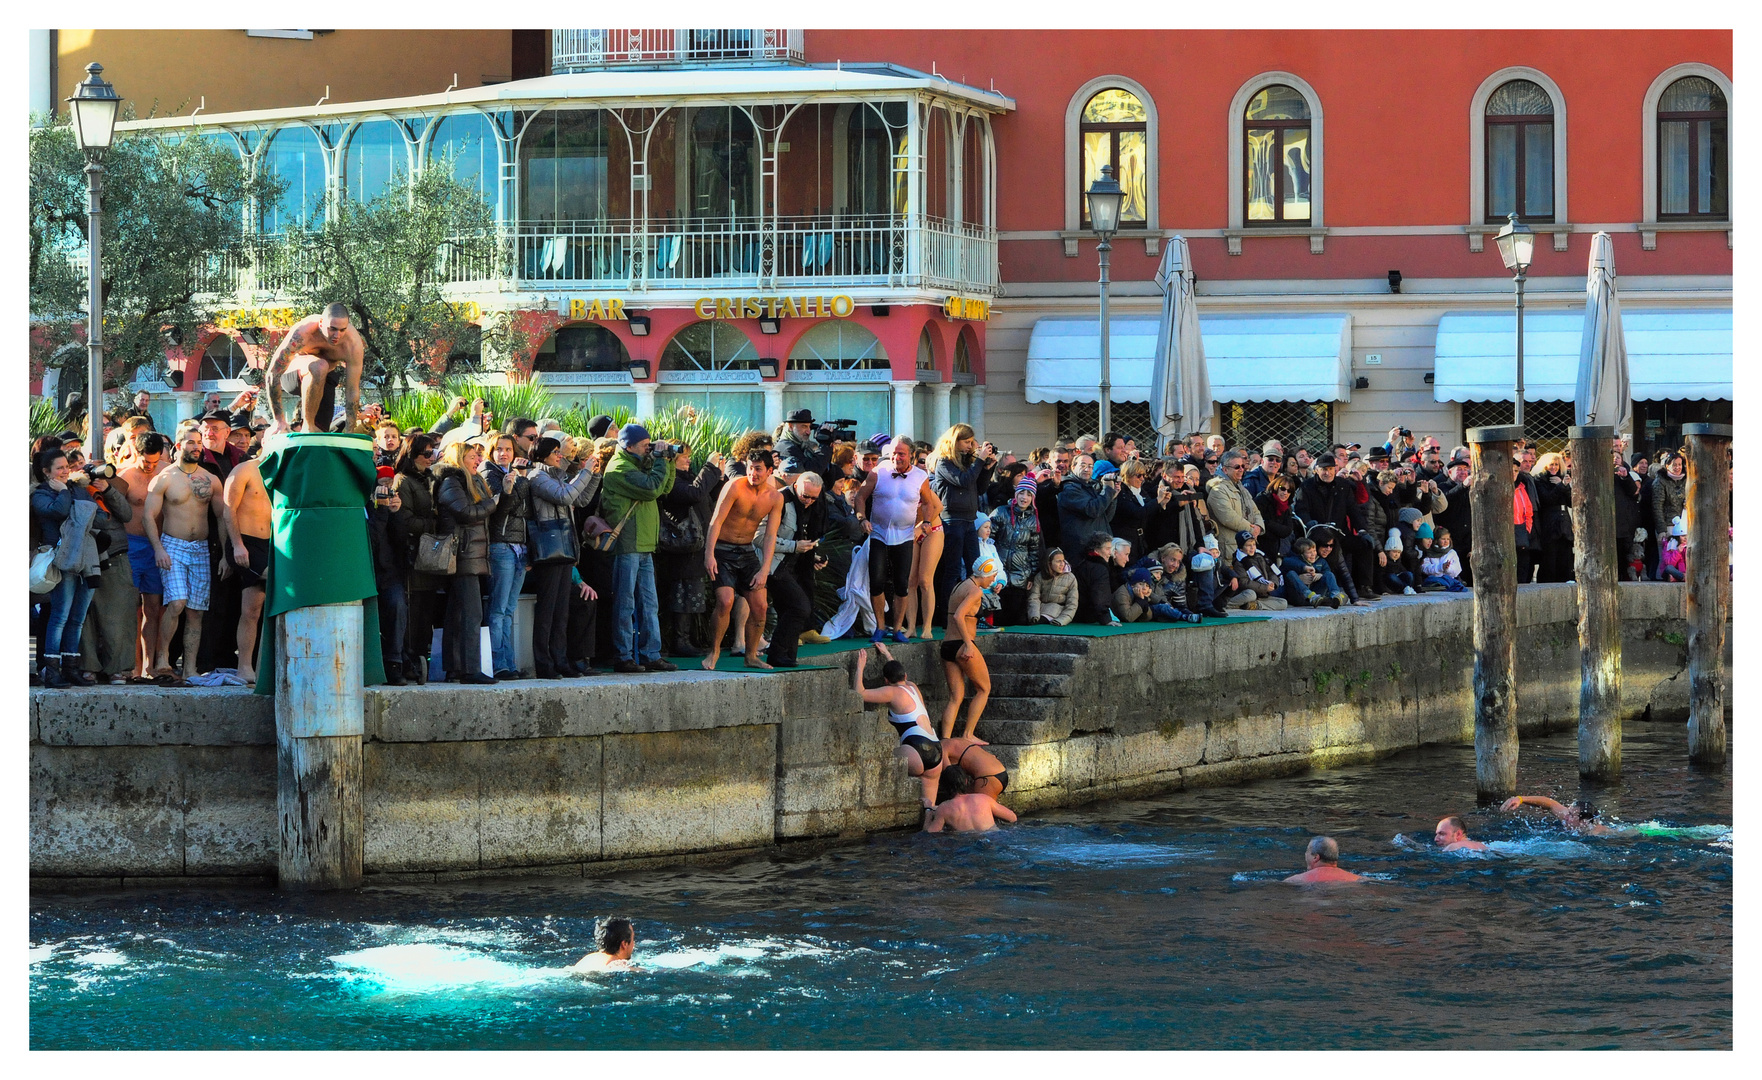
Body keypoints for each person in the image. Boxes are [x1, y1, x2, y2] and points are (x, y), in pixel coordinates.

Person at [601, 424, 681, 675]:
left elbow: (665, 488)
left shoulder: (637, 464)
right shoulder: (619, 468)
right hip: (627, 543)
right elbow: (651, 489)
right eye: (645, 445)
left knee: (648, 603)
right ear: (628, 446)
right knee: (625, 603)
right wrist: (658, 459)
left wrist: (666, 460)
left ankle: (651, 654)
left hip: (644, 543)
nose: (649, 448)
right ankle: (623, 656)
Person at [144, 427, 221, 683]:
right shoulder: (164, 478)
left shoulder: (210, 479)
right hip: (172, 545)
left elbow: (222, 517)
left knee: (196, 612)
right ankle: (163, 657)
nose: (196, 447)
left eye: (199, 443)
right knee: (176, 603)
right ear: (178, 446)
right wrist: (158, 548)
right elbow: (148, 516)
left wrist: (224, 554)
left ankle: (189, 668)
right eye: (190, 442)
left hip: (200, 548)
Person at [701, 448, 784, 670]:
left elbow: (770, 535)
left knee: (760, 606)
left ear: (769, 471)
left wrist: (764, 569)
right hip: (722, 549)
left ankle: (751, 656)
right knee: (726, 601)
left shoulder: (775, 497)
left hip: (746, 552)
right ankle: (714, 651)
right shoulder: (735, 486)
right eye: (750, 468)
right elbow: (716, 521)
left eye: (758, 469)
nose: (753, 473)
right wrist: (709, 555)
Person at [855, 437, 942, 645]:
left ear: (911, 455)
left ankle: (897, 629)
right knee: (876, 582)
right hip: (879, 534)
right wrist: (862, 518)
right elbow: (860, 497)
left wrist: (927, 522)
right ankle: (879, 627)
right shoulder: (879, 471)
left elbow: (929, 503)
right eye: (894, 453)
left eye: (901, 453)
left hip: (904, 536)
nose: (896, 457)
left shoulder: (921, 476)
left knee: (902, 584)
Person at [527, 436, 602, 679]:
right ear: (543, 455)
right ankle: (544, 663)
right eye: (556, 452)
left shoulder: (558, 476)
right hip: (548, 549)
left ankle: (560, 660)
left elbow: (580, 498)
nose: (561, 456)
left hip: (564, 547)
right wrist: (585, 472)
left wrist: (593, 475)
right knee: (547, 610)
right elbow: (565, 497)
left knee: (561, 610)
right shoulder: (537, 476)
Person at [32, 449, 103, 688]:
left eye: (66, 467)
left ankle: (71, 668)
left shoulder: (77, 489)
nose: (65, 471)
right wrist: (64, 493)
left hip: (86, 559)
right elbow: (58, 511)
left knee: (78, 617)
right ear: (46, 471)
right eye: (59, 468)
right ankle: (51, 671)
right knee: (59, 616)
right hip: (61, 560)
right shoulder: (40, 495)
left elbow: (101, 518)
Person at [433, 440, 501, 684]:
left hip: (471, 554)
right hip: (462, 554)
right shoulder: (452, 481)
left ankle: (455, 668)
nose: (478, 460)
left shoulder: (471, 481)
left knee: (458, 612)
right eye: (473, 456)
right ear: (460, 458)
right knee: (471, 613)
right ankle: (470, 669)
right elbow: (466, 512)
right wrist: (490, 504)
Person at [853, 644, 943, 812]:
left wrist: (860, 667)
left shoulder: (891, 692)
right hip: (937, 752)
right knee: (929, 808)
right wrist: (887, 654)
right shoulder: (913, 687)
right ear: (905, 676)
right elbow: (898, 673)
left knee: (879, 755)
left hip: (916, 751)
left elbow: (860, 693)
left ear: (886, 681)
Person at [263, 303, 365, 434]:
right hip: (293, 376)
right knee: (320, 365)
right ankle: (308, 426)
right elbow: (273, 373)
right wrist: (279, 420)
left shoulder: (353, 344)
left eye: (342, 330)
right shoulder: (303, 332)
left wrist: (350, 431)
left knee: (321, 432)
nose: (337, 335)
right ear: (321, 323)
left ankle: (312, 430)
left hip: (324, 380)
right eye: (332, 329)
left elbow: (352, 389)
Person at [479, 433, 533, 680]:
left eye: (508, 449)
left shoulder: (514, 474)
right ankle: (499, 663)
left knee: (509, 609)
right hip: (501, 546)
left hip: (519, 547)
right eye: (499, 449)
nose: (504, 453)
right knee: (498, 609)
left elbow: (526, 510)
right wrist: (517, 485)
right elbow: (502, 511)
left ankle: (509, 663)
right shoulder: (490, 474)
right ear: (491, 452)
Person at [760, 472, 826, 669]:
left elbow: (803, 536)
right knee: (800, 607)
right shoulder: (779, 499)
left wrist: (811, 555)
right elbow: (760, 537)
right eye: (805, 496)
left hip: (793, 565)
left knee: (790, 608)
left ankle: (786, 656)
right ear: (795, 486)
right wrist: (794, 546)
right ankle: (777, 653)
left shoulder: (810, 506)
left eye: (814, 498)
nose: (808, 501)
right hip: (772, 565)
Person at [117, 432, 170, 680]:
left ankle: (151, 666)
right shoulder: (125, 475)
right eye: (145, 462)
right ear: (136, 453)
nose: (149, 467)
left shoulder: (166, 471)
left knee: (154, 607)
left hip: (158, 545)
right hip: (132, 544)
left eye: (154, 462)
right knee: (130, 608)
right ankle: (132, 666)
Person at [391, 434, 441, 683]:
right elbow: (404, 522)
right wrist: (435, 524)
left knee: (426, 613)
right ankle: (409, 661)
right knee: (413, 614)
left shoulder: (431, 479)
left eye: (433, 452)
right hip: (412, 555)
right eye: (427, 453)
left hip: (431, 556)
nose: (431, 458)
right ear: (413, 456)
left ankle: (421, 658)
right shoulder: (403, 481)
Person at [220, 455, 272, 685]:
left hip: (272, 544)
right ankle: (244, 667)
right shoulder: (244, 470)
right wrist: (236, 546)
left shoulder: (281, 471)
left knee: (255, 608)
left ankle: (257, 666)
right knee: (255, 606)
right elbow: (228, 510)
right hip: (246, 542)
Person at [940, 556, 999, 739]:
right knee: (984, 689)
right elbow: (959, 616)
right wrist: (968, 645)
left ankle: (946, 741)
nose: (993, 580)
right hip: (961, 644)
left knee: (955, 697)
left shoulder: (960, 585)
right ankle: (968, 734)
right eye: (993, 576)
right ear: (985, 573)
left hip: (947, 646)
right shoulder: (975, 592)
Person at [989, 474, 1043, 626]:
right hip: (999, 571)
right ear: (1015, 494)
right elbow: (987, 539)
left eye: (1028, 494)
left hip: (1021, 573)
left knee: (1015, 615)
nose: (1024, 497)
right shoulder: (1001, 512)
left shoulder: (1034, 519)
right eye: (1021, 492)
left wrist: (1031, 575)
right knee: (999, 616)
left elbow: (1033, 549)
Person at [924, 765, 1018, 833]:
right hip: (995, 837)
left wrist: (928, 810)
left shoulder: (944, 808)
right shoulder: (984, 799)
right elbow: (1012, 817)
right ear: (966, 781)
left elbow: (929, 833)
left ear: (943, 786)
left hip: (967, 843)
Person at [1499, 794, 1615, 836]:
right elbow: (1550, 804)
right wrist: (1520, 799)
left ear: (1583, 822)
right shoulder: (1570, 818)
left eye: (1571, 815)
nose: (1565, 816)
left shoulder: (1595, 830)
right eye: (1568, 812)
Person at [1027, 547, 1079, 625]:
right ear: (1049, 563)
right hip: (1040, 609)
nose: (1062, 564)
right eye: (1058, 561)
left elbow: (1072, 603)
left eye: (1063, 561)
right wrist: (1034, 615)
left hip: (1056, 611)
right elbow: (1034, 598)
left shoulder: (1071, 578)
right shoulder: (1040, 576)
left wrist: (1062, 620)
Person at [1283, 836, 1363, 884]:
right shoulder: (1357, 879)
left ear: (1315, 857)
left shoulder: (1295, 880)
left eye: (1307, 851)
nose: (1305, 854)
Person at [571, 917, 638, 974]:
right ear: (624, 944)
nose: (633, 944)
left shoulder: (586, 960)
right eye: (633, 939)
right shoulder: (618, 965)